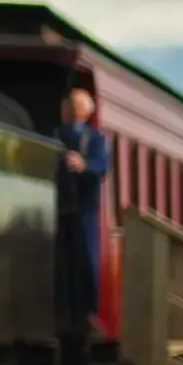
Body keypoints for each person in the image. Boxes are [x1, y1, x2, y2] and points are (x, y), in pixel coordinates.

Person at [54, 86, 110, 331]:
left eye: (78, 107)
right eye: (70, 105)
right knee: (60, 263)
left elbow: (103, 166)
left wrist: (83, 165)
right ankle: (61, 309)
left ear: (87, 112)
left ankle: (87, 311)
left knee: (86, 260)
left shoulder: (95, 138)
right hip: (59, 207)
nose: (72, 110)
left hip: (84, 210)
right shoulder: (55, 134)